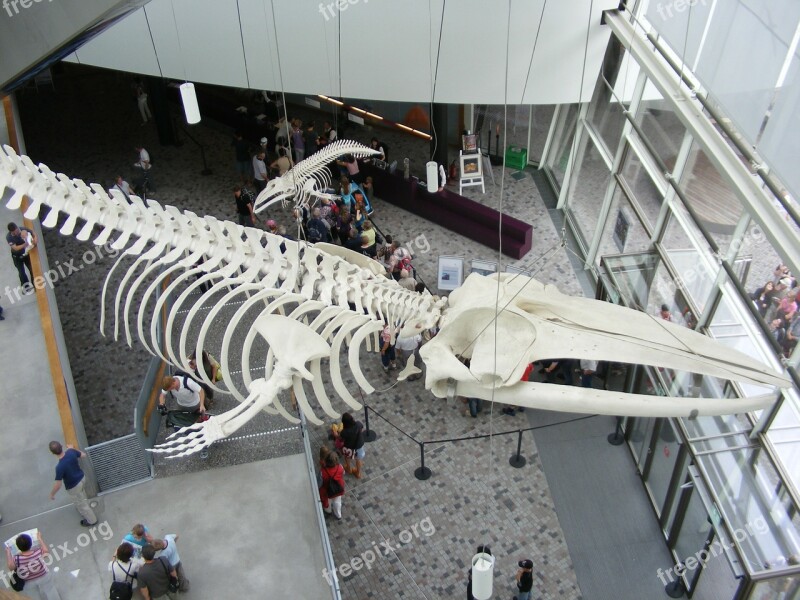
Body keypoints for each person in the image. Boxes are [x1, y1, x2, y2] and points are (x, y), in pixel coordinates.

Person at [48, 441, 97, 526]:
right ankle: (81, 507)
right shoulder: (71, 452)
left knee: (81, 504)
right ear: (62, 446)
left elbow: (58, 484)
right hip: (82, 478)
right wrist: (71, 448)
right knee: (80, 496)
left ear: (52, 453)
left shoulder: (59, 467)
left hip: (73, 486)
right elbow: (83, 455)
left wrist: (52, 494)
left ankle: (92, 520)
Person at [6, 531, 61, 600]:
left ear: (18, 547)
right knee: (50, 589)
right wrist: (40, 538)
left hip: (28, 581)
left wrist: (8, 553)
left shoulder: (17, 558)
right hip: (43, 575)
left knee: (33, 595)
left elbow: (11, 567)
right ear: (31, 543)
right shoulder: (38, 552)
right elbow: (46, 551)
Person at [6, 222, 36, 290]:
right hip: (17, 256)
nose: (16, 233)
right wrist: (25, 244)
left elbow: (32, 232)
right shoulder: (9, 237)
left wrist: (35, 238)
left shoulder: (23, 229)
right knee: (21, 272)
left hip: (26, 254)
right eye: (14, 232)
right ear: (11, 232)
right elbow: (15, 248)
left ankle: (35, 285)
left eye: (17, 231)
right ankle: (26, 287)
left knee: (31, 269)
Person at [338, 412, 365, 479]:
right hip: (359, 445)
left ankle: (348, 468)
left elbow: (340, 438)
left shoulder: (344, 432)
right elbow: (361, 429)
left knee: (347, 457)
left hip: (349, 448)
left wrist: (336, 434)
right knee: (358, 459)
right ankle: (358, 472)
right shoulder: (358, 424)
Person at [319, 452, 345, 520]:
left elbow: (319, 483)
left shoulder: (322, 471)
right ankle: (338, 514)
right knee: (337, 502)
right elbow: (343, 473)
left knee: (327, 501)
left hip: (327, 491)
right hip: (338, 489)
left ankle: (328, 511)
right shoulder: (340, 467)